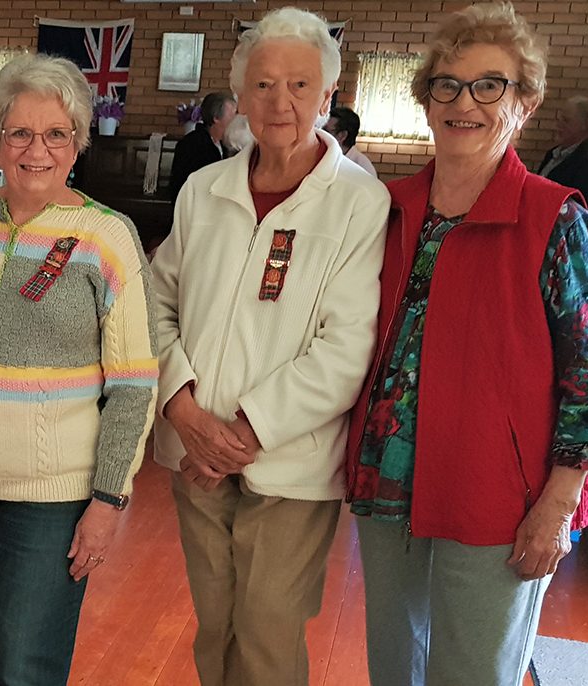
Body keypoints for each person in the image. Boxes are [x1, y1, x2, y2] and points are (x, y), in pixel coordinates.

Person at [344, 4, 588, 685]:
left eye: (489, 85)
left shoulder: (553, 215)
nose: (464, 102)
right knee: (393, 665)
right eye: (447, 84)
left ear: (524, 103)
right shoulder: (390, 206)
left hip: (500, 493)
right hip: (386, 477)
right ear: (426, 100)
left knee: (473, 672)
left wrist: (559, 504)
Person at [149, 7, 390, 686]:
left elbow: (347, 346)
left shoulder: (358, 203)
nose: (279, 101)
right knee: (215, 624)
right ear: (240, 94)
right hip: (193, 450)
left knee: (267, 633)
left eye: (299, 85)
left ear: (328, 97)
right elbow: (154, 302)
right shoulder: (203, 191)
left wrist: (244, 433)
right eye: (263, 85)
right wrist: (187, 413)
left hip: (289, 464)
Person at [0, 53, 158, 685]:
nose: (38, 149)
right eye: (20, 133)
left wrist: (109, 499)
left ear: (79, 143)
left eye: (56, 133)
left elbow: (134, 384)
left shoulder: (105, 236)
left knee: (26, 662)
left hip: (56, 495)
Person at [537, 94, 588, 219]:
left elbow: (586, 212)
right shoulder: (552, 154)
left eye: (566, 120)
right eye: (559, 119)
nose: (558, 125)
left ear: (586, 124)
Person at [168, 91, 238, 199]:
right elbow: (182, 185)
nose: (237, 120)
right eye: (233, 115)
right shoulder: (192, 144)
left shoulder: (225, 144)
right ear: (216, 118)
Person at [323, 106, 378, 177]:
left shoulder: (363, 168)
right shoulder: (326, 157)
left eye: (325, 131)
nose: (320, 134)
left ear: (342, 136)